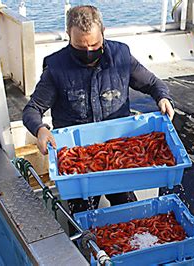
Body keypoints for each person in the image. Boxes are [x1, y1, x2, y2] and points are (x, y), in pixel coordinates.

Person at [22, 5, 175, 217]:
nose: (88, 51)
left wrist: (163, 97)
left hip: (118, 151)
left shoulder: (121, 56)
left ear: (103, 31)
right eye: (80, 46)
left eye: (94, 44)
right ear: (68, 35)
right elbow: (32, 109)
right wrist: (40, 129)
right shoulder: (56, 68)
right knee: (82, 216)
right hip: (77, 158)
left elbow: (151, 82)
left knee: (130, 213)